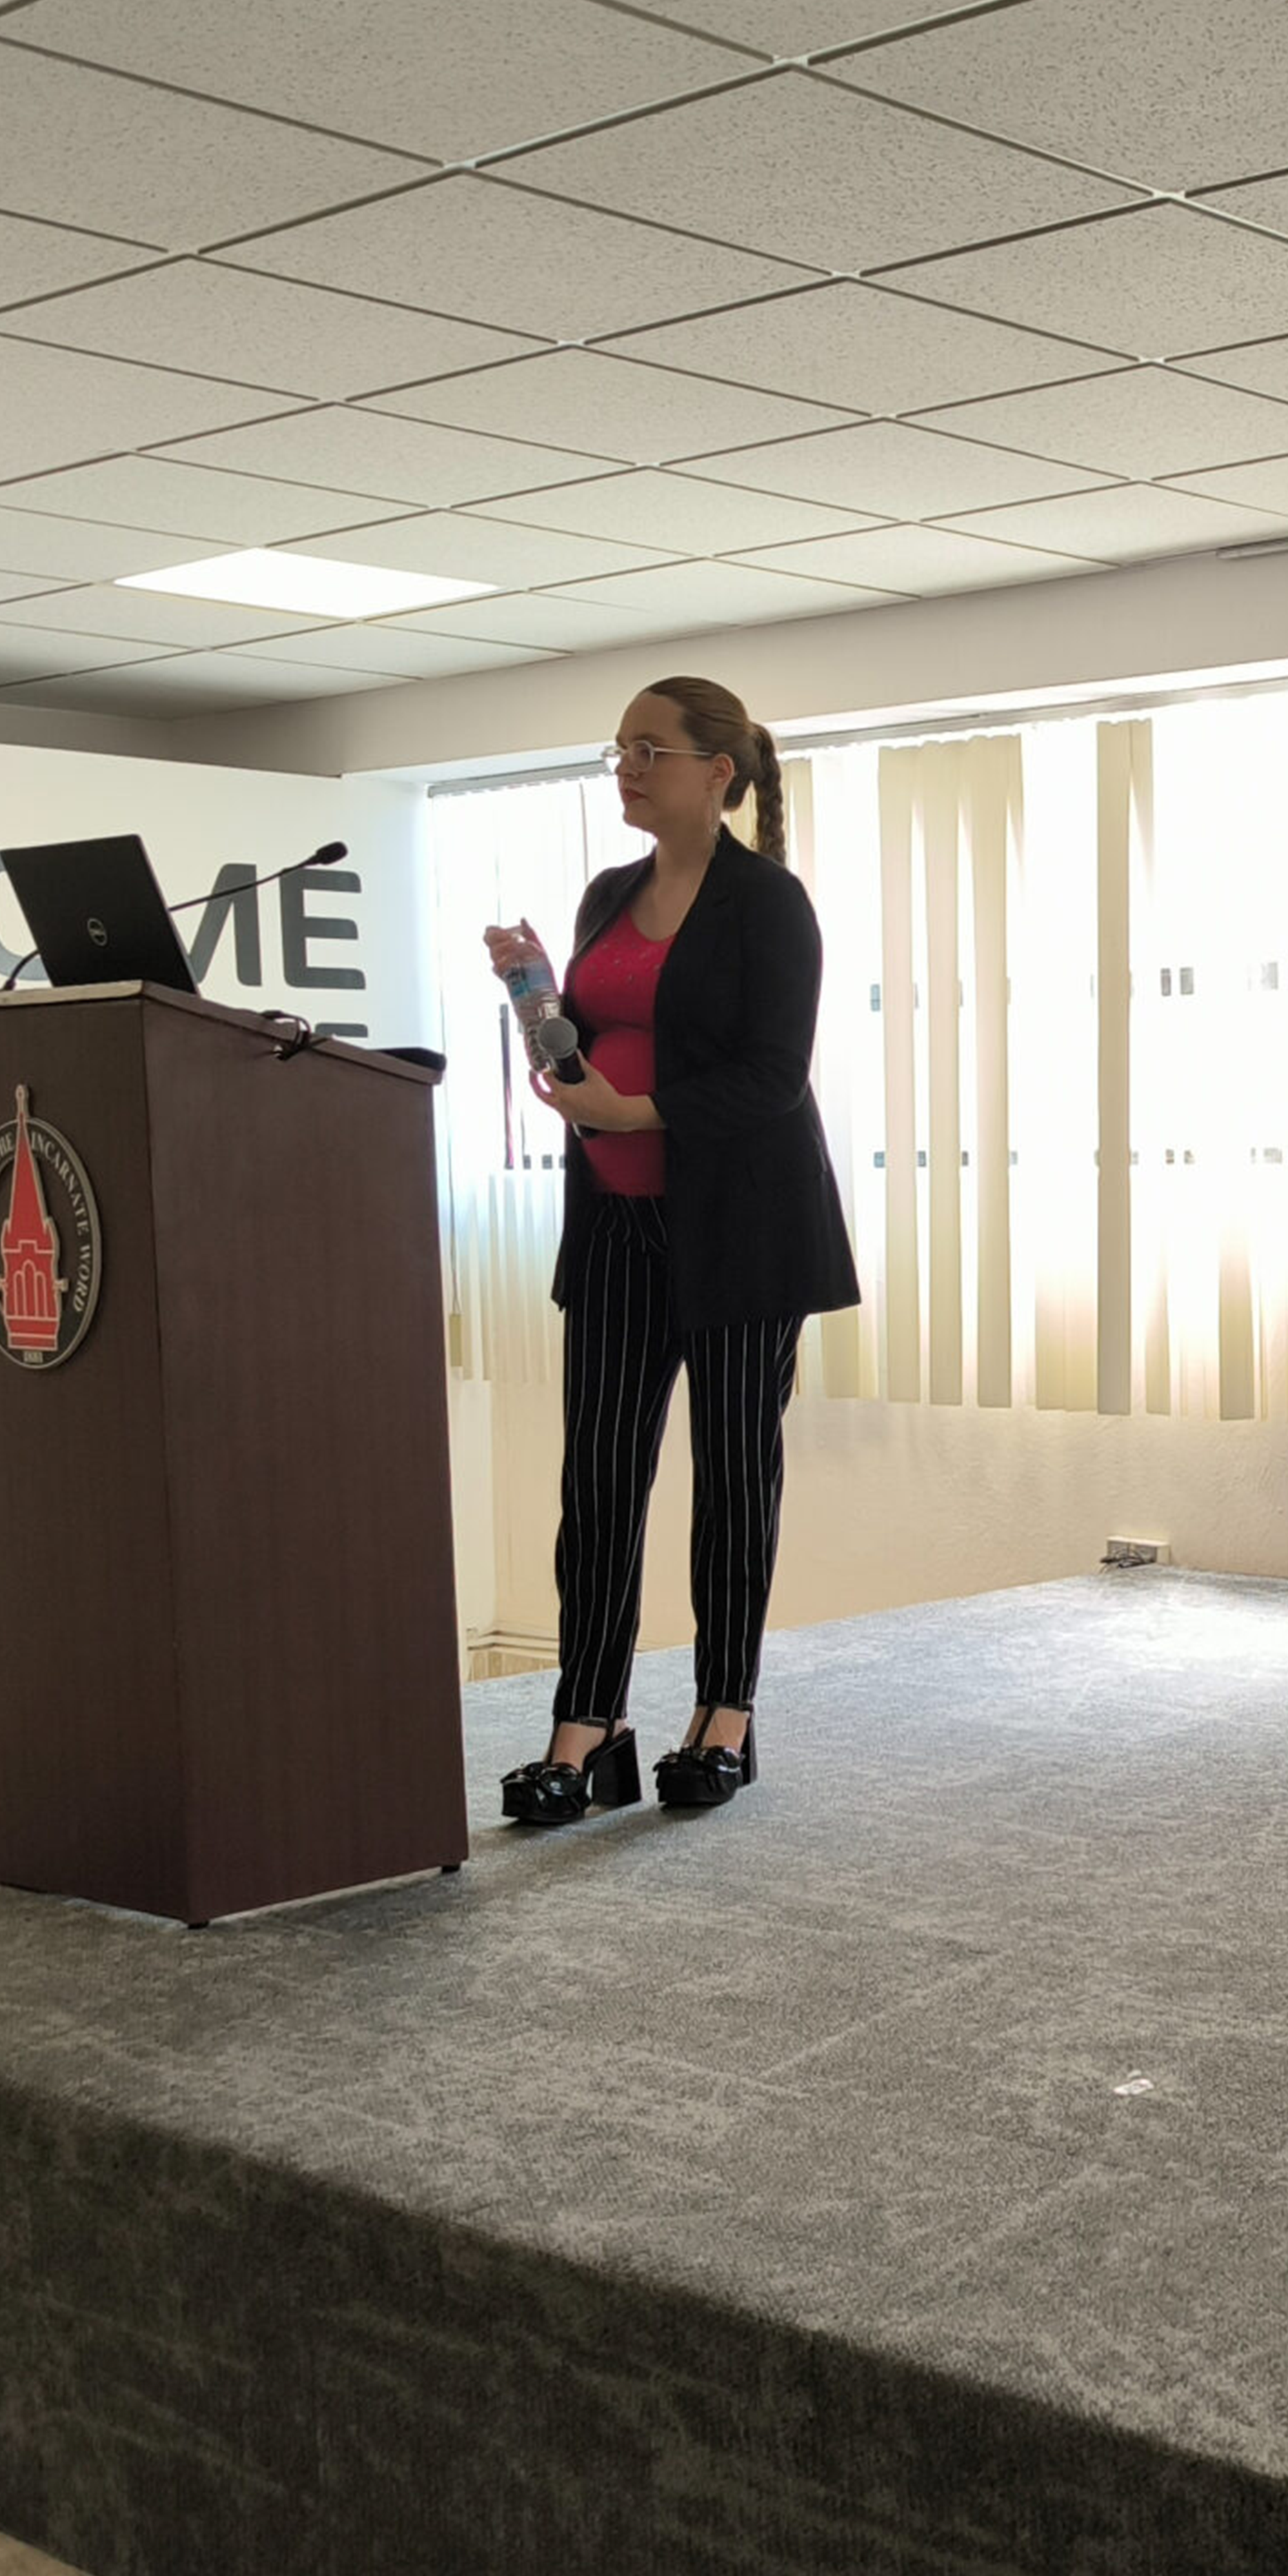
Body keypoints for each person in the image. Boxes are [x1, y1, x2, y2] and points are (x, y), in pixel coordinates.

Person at [487, 676, 860, 1827]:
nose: (627, 766)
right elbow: (585, 1048)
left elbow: (770, 1075)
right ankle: (586, 1724)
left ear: (720, 774)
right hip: (614, 1225)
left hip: (741, 1230)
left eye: (651, 749)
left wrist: (637, 1113)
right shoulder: (608, 892)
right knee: (598, 1481)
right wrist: (536, 998)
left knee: (733, 1480)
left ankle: (724, 1717)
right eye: (620, 748)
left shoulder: (767, 903)